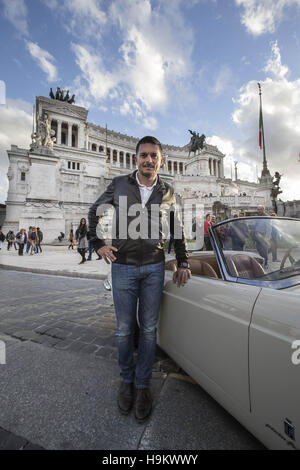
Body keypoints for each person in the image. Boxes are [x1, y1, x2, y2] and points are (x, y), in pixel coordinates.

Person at [88, 135, 191, 423]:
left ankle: (143, 385)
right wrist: (97, 244)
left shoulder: (168, 192)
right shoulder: (120, 184)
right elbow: (93, 211)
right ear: (136, 159)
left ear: (161, 160)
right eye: (143, 155)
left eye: (153, 156)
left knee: (148, 330)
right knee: (123, 330)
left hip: (154, 267)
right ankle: (126, 380)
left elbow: (177, 229)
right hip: (123, 267)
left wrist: (183, 260)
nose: (148, 160)